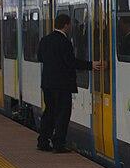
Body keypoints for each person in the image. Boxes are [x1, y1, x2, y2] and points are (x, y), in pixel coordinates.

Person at [36, 13, 100, 153]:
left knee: (49, 112)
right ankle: (58, 144)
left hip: (47, 84)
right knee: (62, 114)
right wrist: (91, 65)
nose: (71, 27)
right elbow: (71, 62)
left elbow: (39, 57)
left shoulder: (45, 40)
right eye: (70, 24)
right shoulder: (65, 42)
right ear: (66, 25)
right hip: (62, 85)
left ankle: (43, 141)